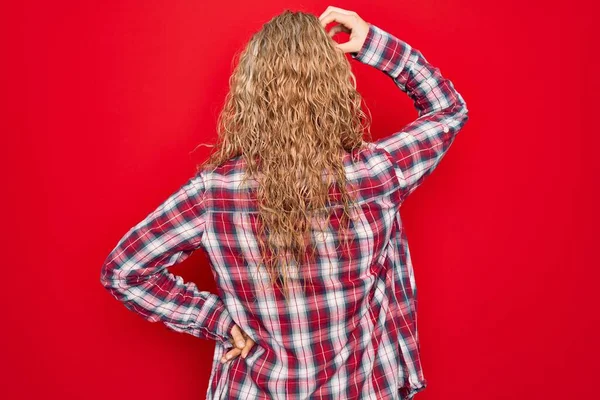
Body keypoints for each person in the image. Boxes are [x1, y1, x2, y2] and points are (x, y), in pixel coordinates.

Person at [100, 6, 469, 399]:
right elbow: (448, 110)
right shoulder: (374, 175)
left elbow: (125, 271)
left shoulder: (214, 193)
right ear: (335, 88)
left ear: (250, 95)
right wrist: (373, 43)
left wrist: (219, 322)